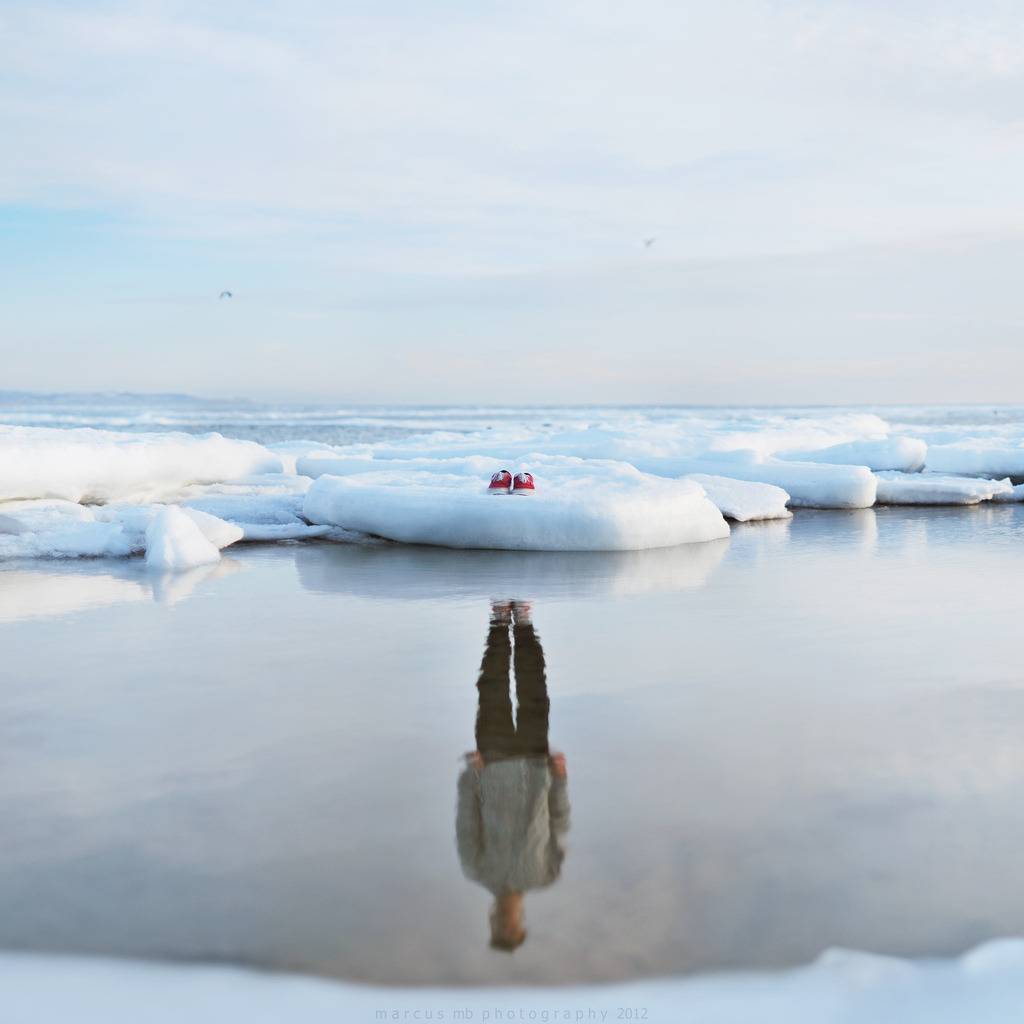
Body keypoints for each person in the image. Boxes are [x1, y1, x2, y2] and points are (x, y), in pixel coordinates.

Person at [455, 600, 570, 951]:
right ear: (521, 921)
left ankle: (498, 621)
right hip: (536, 765)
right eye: (511, 926)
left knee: (491, 688)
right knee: (535, 691)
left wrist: (469, 775)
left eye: (500, 925)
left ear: (492, 918)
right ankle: (522, 624)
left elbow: (466, 821)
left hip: (490, 762)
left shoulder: (477, 870)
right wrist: (560, 779)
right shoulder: (546, 875)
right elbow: (559, 823)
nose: (505, 920)